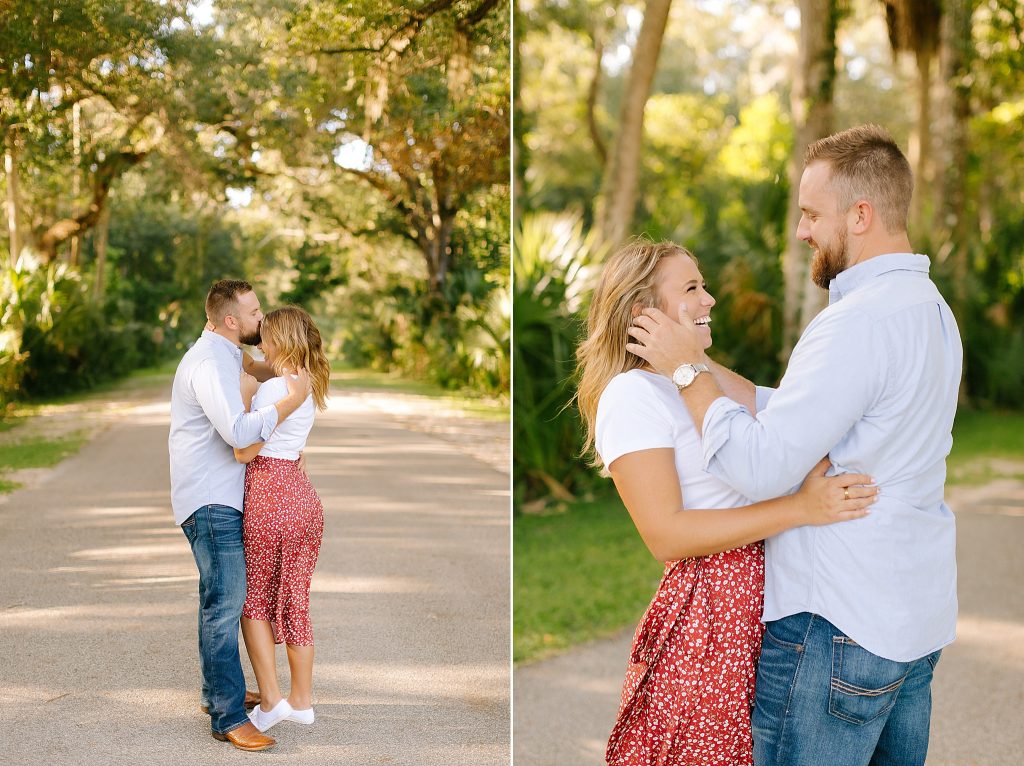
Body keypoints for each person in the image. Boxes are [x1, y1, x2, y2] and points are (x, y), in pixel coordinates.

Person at [626, 125, 962, 766]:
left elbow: (761, 466)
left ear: (860, 215)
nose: (802, 231)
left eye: (812, 214)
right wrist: (689, 355)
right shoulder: (929, 308)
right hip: (911, 621)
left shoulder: (855, 324)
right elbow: (800, 410)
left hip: (837, 624)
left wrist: (688, 375)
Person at [575, 239, 878, 764]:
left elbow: (784, 414)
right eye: (692, 288)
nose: (710, 298)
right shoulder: (631, 397)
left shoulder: (692, 383)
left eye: (704, 285)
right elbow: (664, 533)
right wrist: (803, 509)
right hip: (715, 609)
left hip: (770, 593)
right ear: (643, 314)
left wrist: (691, 362)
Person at [169, 280, 310, 752]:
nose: (260, 318)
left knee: (223, 599)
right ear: (231, 321)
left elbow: (257, 365)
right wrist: (291, 402)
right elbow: (238, 433)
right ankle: (228, 716)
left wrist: (299, 360)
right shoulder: (210, 362)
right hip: (211, 500)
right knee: (226, 604)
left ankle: (219, 693)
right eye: (254, 312)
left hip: (221, 496)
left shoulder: (227, 351)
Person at [232, 306, 331, 734]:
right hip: (302, 497)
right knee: (295, 599)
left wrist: (242, 398)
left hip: (270, 494)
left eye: (265, 336)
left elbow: (244, 451)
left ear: (281, 341)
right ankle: (302, 702)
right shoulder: (304, 383)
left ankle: (271, 703)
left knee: (253, 601)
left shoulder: (273, 393)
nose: (260, 342)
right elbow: (255, 364)